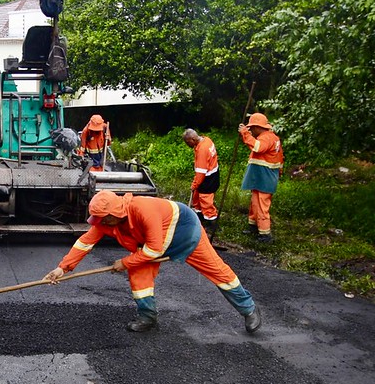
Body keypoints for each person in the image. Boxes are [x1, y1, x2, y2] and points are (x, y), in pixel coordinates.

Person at [43, 190, 261, 334]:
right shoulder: (107, 221)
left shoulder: (142, 209)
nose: (99, 223)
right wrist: (62, 268)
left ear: (113, 214)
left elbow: (155, 249)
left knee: (218, 272)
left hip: (185, 233)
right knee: (139, 277)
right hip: (150, 243)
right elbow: (84, 243)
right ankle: (148, 317)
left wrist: (125, 262)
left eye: (101, 219)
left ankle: (249, 310)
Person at [239, 113, 284, 243]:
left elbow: (258, 148)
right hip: (261, 176)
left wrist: (245, 134)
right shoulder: (272, 137)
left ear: (258, 127)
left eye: (252, 128)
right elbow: (280, 157)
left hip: (265, 177)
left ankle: (265, 234)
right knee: (255, 202)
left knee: (262, 205)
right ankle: (253, 226)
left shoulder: (267, 138)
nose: (251, 131)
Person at [182, 128, 219, 235]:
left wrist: (194, 184)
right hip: (211, 173)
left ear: (193, 139)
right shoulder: (206, 140)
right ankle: (199, 216)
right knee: (196, 197)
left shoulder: (202, 150)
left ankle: (211, 222)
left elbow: (201, 172)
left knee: (205, 200)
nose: (187, 145)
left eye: (188, 142)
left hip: (208, 178)